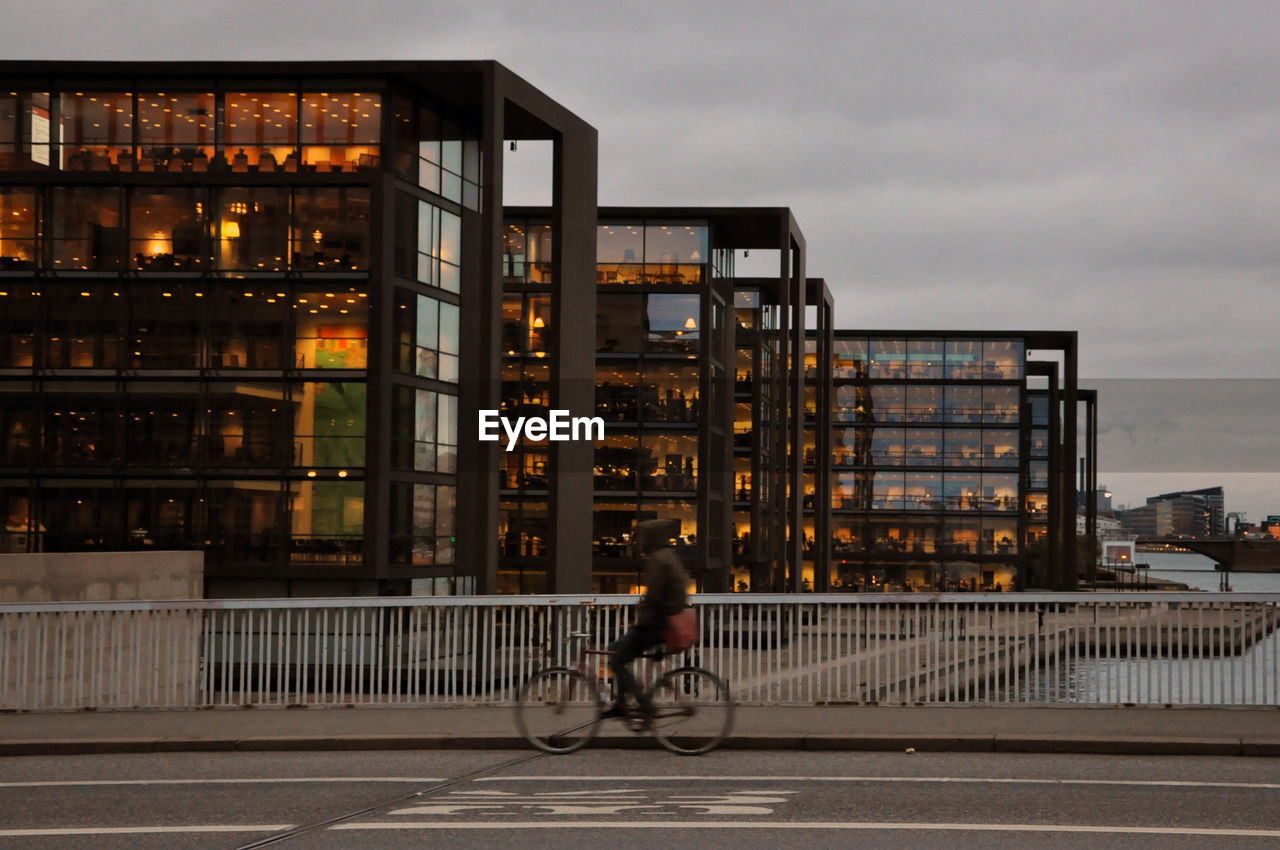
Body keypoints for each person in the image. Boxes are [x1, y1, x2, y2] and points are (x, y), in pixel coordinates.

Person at [602, 518, 688, 723]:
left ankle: (642, 704)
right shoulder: (670, 556)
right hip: (665, 623)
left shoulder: (658, 560)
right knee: (618, 650)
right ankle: (621, 703)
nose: (641, 543)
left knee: (616, 657)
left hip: (654, 625)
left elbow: (655, 595)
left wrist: (643, 608)